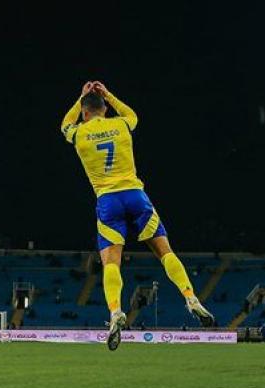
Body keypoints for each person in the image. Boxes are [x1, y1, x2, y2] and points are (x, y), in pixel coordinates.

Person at [60, 81, 214, 351]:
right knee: (165, 252)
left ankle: (115, 312)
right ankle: (190, 297)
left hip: (107, 200)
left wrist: (81, 97)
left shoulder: (80, 133)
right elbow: (133, 115)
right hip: (135, 194)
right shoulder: (120, 124)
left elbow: (64, 125)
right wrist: (107, 94)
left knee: (111, 263)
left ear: (84, 112)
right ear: (105, 108)